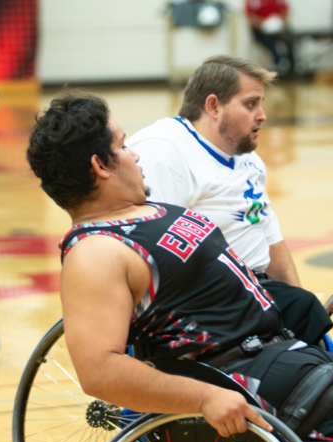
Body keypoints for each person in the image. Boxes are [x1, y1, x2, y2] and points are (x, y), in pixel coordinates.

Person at [27, 91, 333, 442]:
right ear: (100, 166)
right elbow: (98, 372)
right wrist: (205, 397)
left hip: (285, 353)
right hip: (253, 379)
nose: (135, 154)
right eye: (123, 146)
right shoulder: (95, 253)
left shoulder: (146, 209)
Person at [128, 55, 331, 345]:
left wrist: (298, 303)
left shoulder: (248, 158)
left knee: (306, 311)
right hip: (211, 307)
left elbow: (270, 239)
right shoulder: (164, 153)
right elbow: (154, 258)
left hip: (254, 293)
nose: (262, 115)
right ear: (213, 106)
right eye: (251, 104)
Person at [245, 0, 293, 76]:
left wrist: (281, 21)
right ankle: (277, 61)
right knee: (270, 44)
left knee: (290, 40)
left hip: (278, 29)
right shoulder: (252, 1)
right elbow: (250, 17)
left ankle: (290, 64)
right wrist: (262, 23)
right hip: (260, 30)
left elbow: (286, 10)